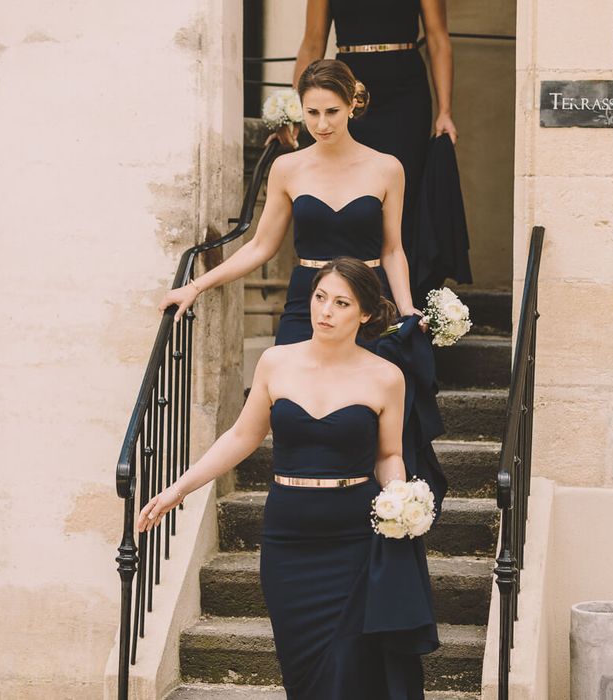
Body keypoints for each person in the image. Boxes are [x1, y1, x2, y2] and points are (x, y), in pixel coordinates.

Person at [141, 258, 438, 699]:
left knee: (349, 669)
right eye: (320, 298)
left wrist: (400, 501)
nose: (326, 311)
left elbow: (389, 453)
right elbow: (243, 435)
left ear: (366, 313)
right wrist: (178, 489)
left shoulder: (386, 377)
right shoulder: (276, 362)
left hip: (353, 538)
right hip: (288, 539)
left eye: (341, 303)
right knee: (304, 676)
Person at [161, 58, 421, 343]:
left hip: (365, 303)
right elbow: (260, 247)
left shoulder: (387, 168)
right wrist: (196, 287)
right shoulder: (287, 168)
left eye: (332, 111)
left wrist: (407, 308)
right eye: (312, 112)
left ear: (351, 105)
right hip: (306, 301)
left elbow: (393, 250)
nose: (322, 124)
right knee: (288, 386)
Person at [272, 0, 457, 251]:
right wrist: (294, 112)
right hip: (347, 86)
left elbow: (438, 39)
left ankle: (398, 285)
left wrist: (445, 110)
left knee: (404, 191)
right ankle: (348, 283)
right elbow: (312, 42)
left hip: (405, 93)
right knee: (345, 188)